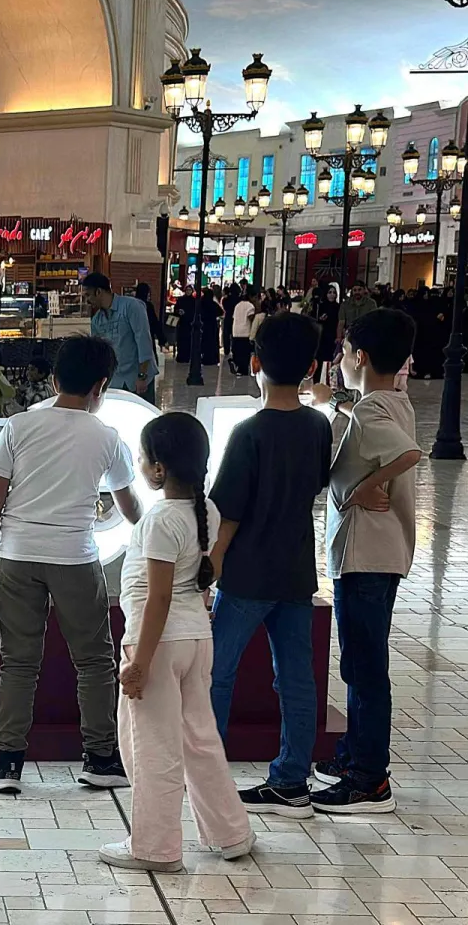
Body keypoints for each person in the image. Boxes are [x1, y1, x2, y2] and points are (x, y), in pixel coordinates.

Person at [0, 335, 142, 794]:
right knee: (94, 661)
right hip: (75, 559)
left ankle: (8, 763)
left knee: (18, 663)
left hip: (16, 556)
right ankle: (100, 758)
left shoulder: (20, 426)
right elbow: (129, 507)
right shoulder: (106, 437)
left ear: (52, 378)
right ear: (101, 386)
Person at [99, 412, 254, 873]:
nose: (142, 465)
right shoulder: (206, 511)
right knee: (199, 740)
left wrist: (138, 663)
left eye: (143, 458)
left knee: (151, 747)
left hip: (158, 645)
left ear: (159, 468)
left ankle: (155, 847)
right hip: (195, 640)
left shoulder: (159, 520)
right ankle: (231, 833)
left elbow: (159, 598)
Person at [208, 312, 332, 819]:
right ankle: (291, 779)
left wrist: (209, 568)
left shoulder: (249, 432)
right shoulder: (318, 427)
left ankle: (209, 772)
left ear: (254, 362)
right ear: (310, 367)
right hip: (297, 570)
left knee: (216, 673)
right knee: (296, 677)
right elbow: (319, 486)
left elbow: (229, 514)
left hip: (246, 575)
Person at [309, 308, 422, 814]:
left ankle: (369, 779)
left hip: (368, 557)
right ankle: (355, 755)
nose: (338, 360)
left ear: (359, 357)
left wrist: (365, 489)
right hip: (377, 554)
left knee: (364, 668)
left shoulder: (374, 409)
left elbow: (409, 454)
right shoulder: (390, 400)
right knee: (360, 662)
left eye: (342, 351)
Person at [83, 272, 155, 398]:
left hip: (138, 378)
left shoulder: (132, 307)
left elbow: (143, 341)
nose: (87, 300)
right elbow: (100, 353)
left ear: (99, 292)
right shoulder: (97, 320)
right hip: (115, 382)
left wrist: (142, 376)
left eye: (88, 295)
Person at [312, 284, 340, 383]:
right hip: (322, 337)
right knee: (320, 359)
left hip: (333, 337)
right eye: (330, 292)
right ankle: (317, 382)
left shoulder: (338, 307)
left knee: (331, 360)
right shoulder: (321, 306)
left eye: (334, 292)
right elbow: (314, 320)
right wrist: (320, 319)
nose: (332, 295)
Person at [229, 290, 256, 377]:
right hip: (245, 332)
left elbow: (234, 317)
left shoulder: (238, 305)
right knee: (244, 353)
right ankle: (242, 370)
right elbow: (250, 317)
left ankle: (235, 363)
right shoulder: (250, 306)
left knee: (237, 351)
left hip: (236, 331)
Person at [134, 282, 166, 350]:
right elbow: (154, 323)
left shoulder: (131, 305)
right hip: (147, 336)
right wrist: (162, 339)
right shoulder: (147, 306)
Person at [200, 288, 223, 366]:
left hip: (203, 325)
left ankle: (204, 358)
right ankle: (213, 359)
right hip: (212, 325)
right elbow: (221, 311)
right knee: (212, 342)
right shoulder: (213, 304)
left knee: (204, 342)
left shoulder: (201, 302)